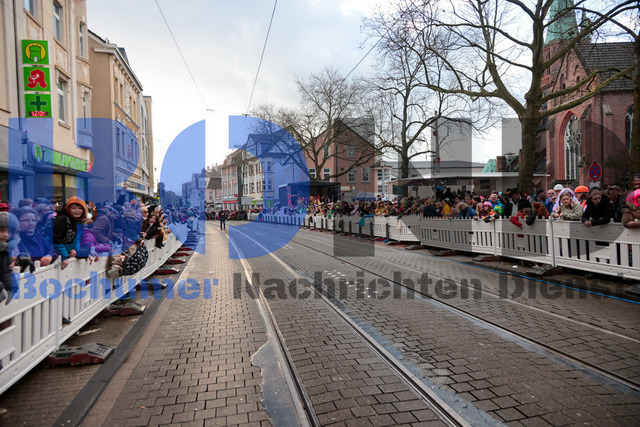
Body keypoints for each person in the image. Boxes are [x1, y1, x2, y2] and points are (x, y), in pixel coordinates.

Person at [53, 196, 93, 269]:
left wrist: (75, 250)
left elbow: (76, 239)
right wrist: (64, 256)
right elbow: (56, 240)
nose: (77, 210)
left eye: (80, 208)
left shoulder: (78, 221)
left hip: (67, 254)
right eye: (73, 208)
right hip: (57, 255)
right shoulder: (61, 220)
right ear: (68, 208)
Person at [0, 212, 13, 304]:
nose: (5, 235)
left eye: (9, 232)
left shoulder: (5, 249)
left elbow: (5, 270)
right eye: (1, 230)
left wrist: (10, 287)